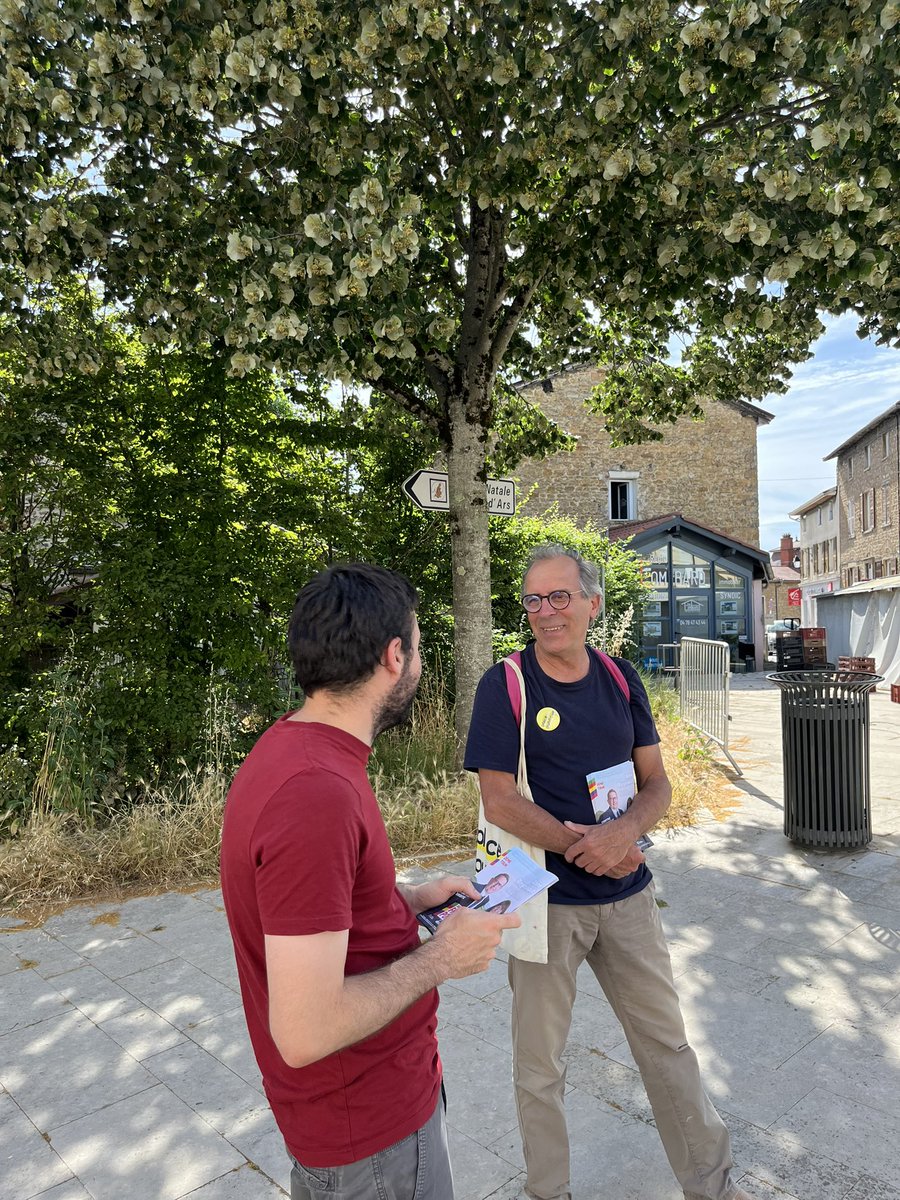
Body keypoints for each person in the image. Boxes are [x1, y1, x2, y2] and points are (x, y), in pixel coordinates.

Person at [464, 545, 756, 1200]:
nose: (546, 611)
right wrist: (587, 847)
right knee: (540, 1067)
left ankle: (712, 1186)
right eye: (534, 599)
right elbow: (500, 800)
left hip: (628, 897)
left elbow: (657, 783)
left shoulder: (622, 679)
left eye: (560, 596)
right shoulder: (505, 684)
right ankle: (549, 1192)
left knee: (668, 1048)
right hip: (545, 904)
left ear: (592, 603)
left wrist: (624, 834)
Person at [221, 562, 519, 1200]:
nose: (418, 666)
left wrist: (410, 900)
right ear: (394, 656)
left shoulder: (297, 750)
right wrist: (442, 957)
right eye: (417, 649)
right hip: (366, 1130)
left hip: (373, 1107)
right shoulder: (316, 793)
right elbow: (303, 1032)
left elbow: (310, 910)